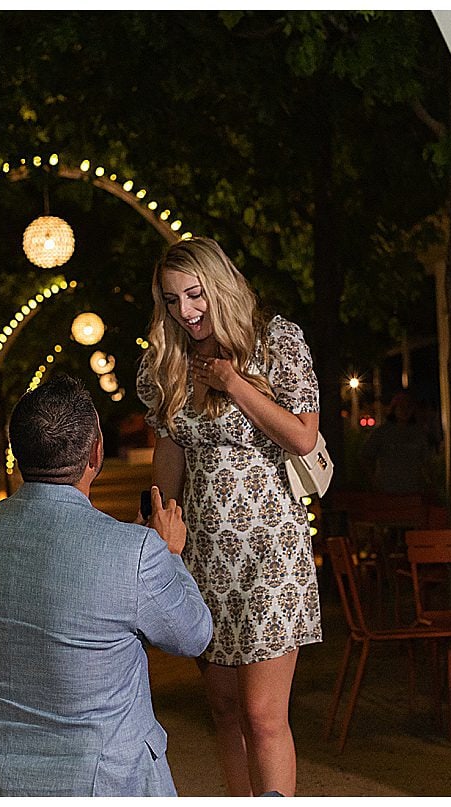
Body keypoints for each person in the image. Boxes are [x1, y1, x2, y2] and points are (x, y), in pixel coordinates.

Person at [0, 373, 213, 797]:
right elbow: (193, 634)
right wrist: (170, 555)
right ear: (96, 452)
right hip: (100, 781)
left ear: (18, 454)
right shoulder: (136, 552)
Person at [136, 236, 321, 797]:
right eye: (172, 300)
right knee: (222, 709)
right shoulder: (166, 361)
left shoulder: (275, 342)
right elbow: (168, 452)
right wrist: (161, 538)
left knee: (263, 714)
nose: (185, 312)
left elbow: (304, 436)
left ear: (219, 285)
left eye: (194, 295)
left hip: (270, 551)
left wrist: (233, 383)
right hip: (203, 554)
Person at [359, 390, 433, 495]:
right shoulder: (383, 433)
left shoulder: (418, 433)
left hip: (413, 490)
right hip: (387, 490)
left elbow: (426, 461)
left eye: (408, 407)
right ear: (394, 409)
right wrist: (373, 480)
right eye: (401, 407)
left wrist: (428, 484)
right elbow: (365, 456)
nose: (405, 411)